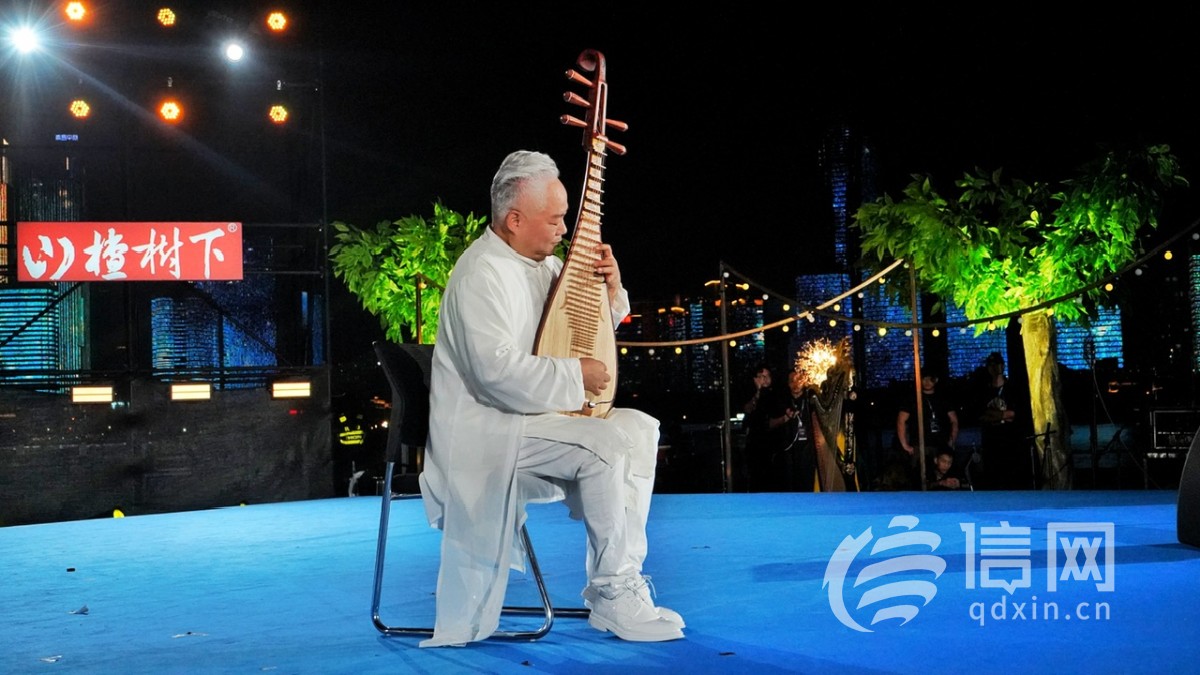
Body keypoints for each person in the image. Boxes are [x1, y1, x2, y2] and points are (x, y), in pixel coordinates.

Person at [419, 150, 684, 647]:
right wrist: (574, 375)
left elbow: (583, 330)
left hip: (534, 419)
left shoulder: (545, 266)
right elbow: (495, 374)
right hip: (487, 430)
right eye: (555, 219)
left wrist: (612, 288)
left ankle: (621, 582)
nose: (565, 230)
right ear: (515, 220)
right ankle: (611, 590)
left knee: (638, 428)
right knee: (604, 444)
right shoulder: (480, 273)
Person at [891, 368, 959, 489]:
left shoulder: (942, 398)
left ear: (935, 380)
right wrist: (905, 445)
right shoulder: (913, 398)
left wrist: (952, 440)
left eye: (930, 379)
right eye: (924, 379)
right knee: (918, 478)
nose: (927, 382)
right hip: (919, 446)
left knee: (942, 476)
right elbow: (901, 420)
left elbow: (954, 420)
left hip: (940, 445)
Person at [977, 351, 1029, 489]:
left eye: (997, 364)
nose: (994, 367)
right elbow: (980, 414)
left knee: (1012, 477)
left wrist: (994, 415)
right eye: (991, 365)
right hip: (991, 441)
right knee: (993, 478)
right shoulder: (984, 390)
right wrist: (1002, 415)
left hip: (1011, 440)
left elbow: (1015, 413)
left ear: (1003, 366)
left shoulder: (1013, 388)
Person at [740, 364, 790, 492]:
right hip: (755, 446)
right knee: (755, 481)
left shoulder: (776, 394)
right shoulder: (750, 393)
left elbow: (772, 421)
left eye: (768, 376)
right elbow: (748, 409)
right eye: (762, 376)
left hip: (774, 446)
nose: (765, 379)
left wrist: (785, 418)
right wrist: (758, 391)